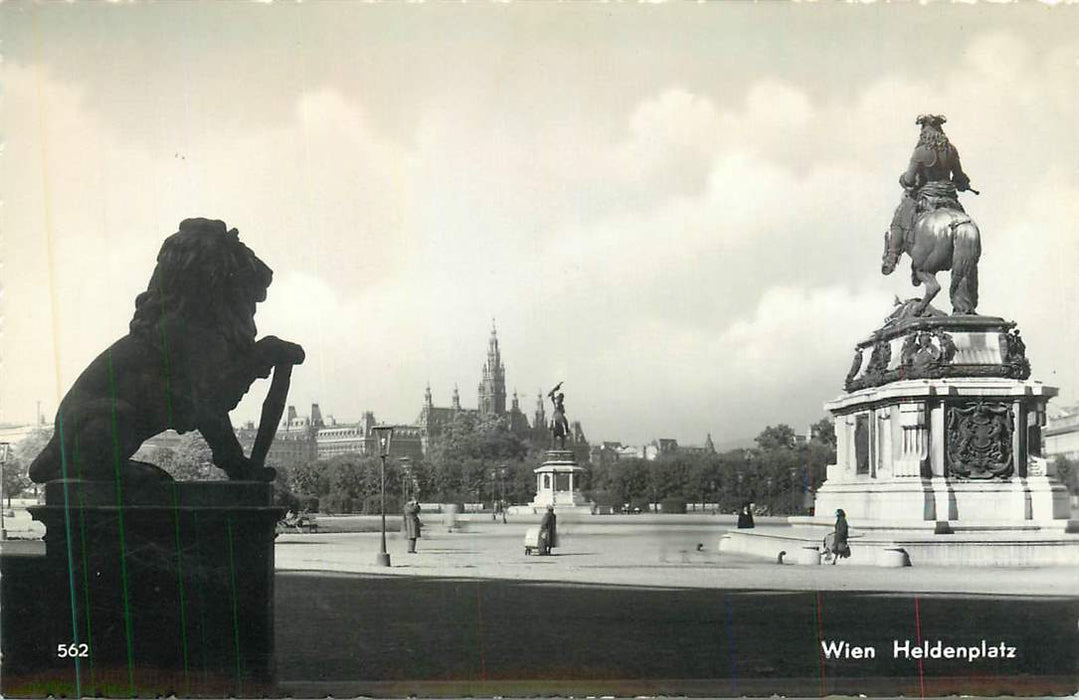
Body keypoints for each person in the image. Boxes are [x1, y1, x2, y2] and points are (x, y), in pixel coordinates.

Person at [886, 114, 974, 271]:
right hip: (950, 198)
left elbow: (909, 179)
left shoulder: (920, 152)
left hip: (927, 197)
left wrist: (903, 180)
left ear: (924, 132)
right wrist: (963, 184)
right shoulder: (951, 150)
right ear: (940, 130)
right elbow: (959, 176)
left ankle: (891, 257)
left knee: (900, 217)